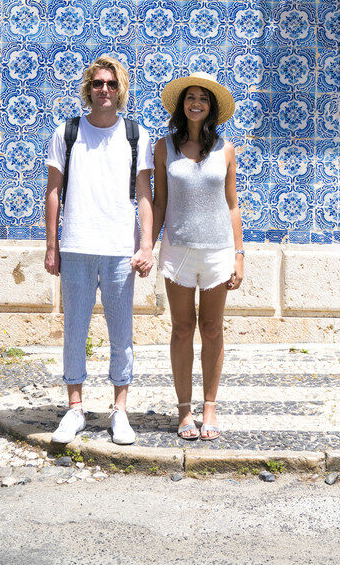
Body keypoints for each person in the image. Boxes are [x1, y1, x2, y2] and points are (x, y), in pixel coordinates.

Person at [44, 55, 154, 446]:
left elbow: (144, 194)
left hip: (119, 249)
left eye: (110, 83)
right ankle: (74, 408)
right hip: (76, 245)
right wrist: (52, 245)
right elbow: (54, 190)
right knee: (74, 328)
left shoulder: (135, 135)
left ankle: (119, 411)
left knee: (120, 331)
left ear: (120, 89)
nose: (103, 90)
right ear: (87, 88)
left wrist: (146, 245)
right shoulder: (68, 132)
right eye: (97, 83)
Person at [151, 71, 244, 441]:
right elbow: (160, 203)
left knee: (212, 329)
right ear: (181, 105)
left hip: (219, 250)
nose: (196, 103)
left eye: (203, 99)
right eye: (190, 98)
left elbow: (233, 205)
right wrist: (146, 245)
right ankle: (184, 411)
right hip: (178, 250)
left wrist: (239, 254)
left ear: (212, 108)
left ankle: (210, 407)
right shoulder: (164, 147)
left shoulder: (226, 150)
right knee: (181, 329)